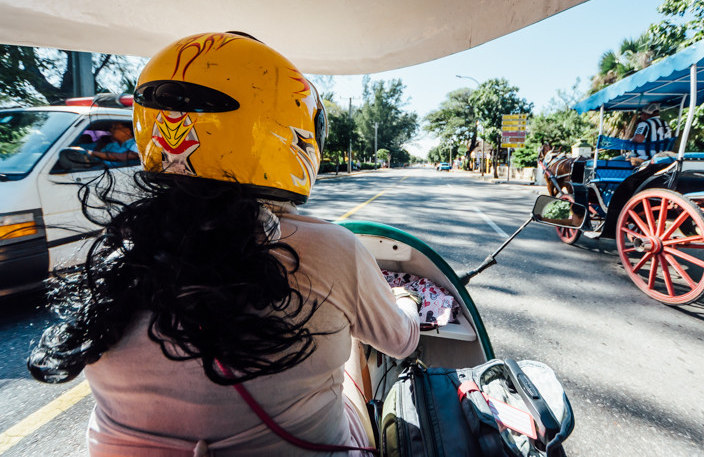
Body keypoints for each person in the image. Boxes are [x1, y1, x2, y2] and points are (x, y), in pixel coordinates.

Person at [28, 32, 420, 456]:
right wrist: (405, 299)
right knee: (351, 359)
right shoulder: (332, 250)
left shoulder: (117, 252)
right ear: (287, 133)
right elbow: (402, 342)